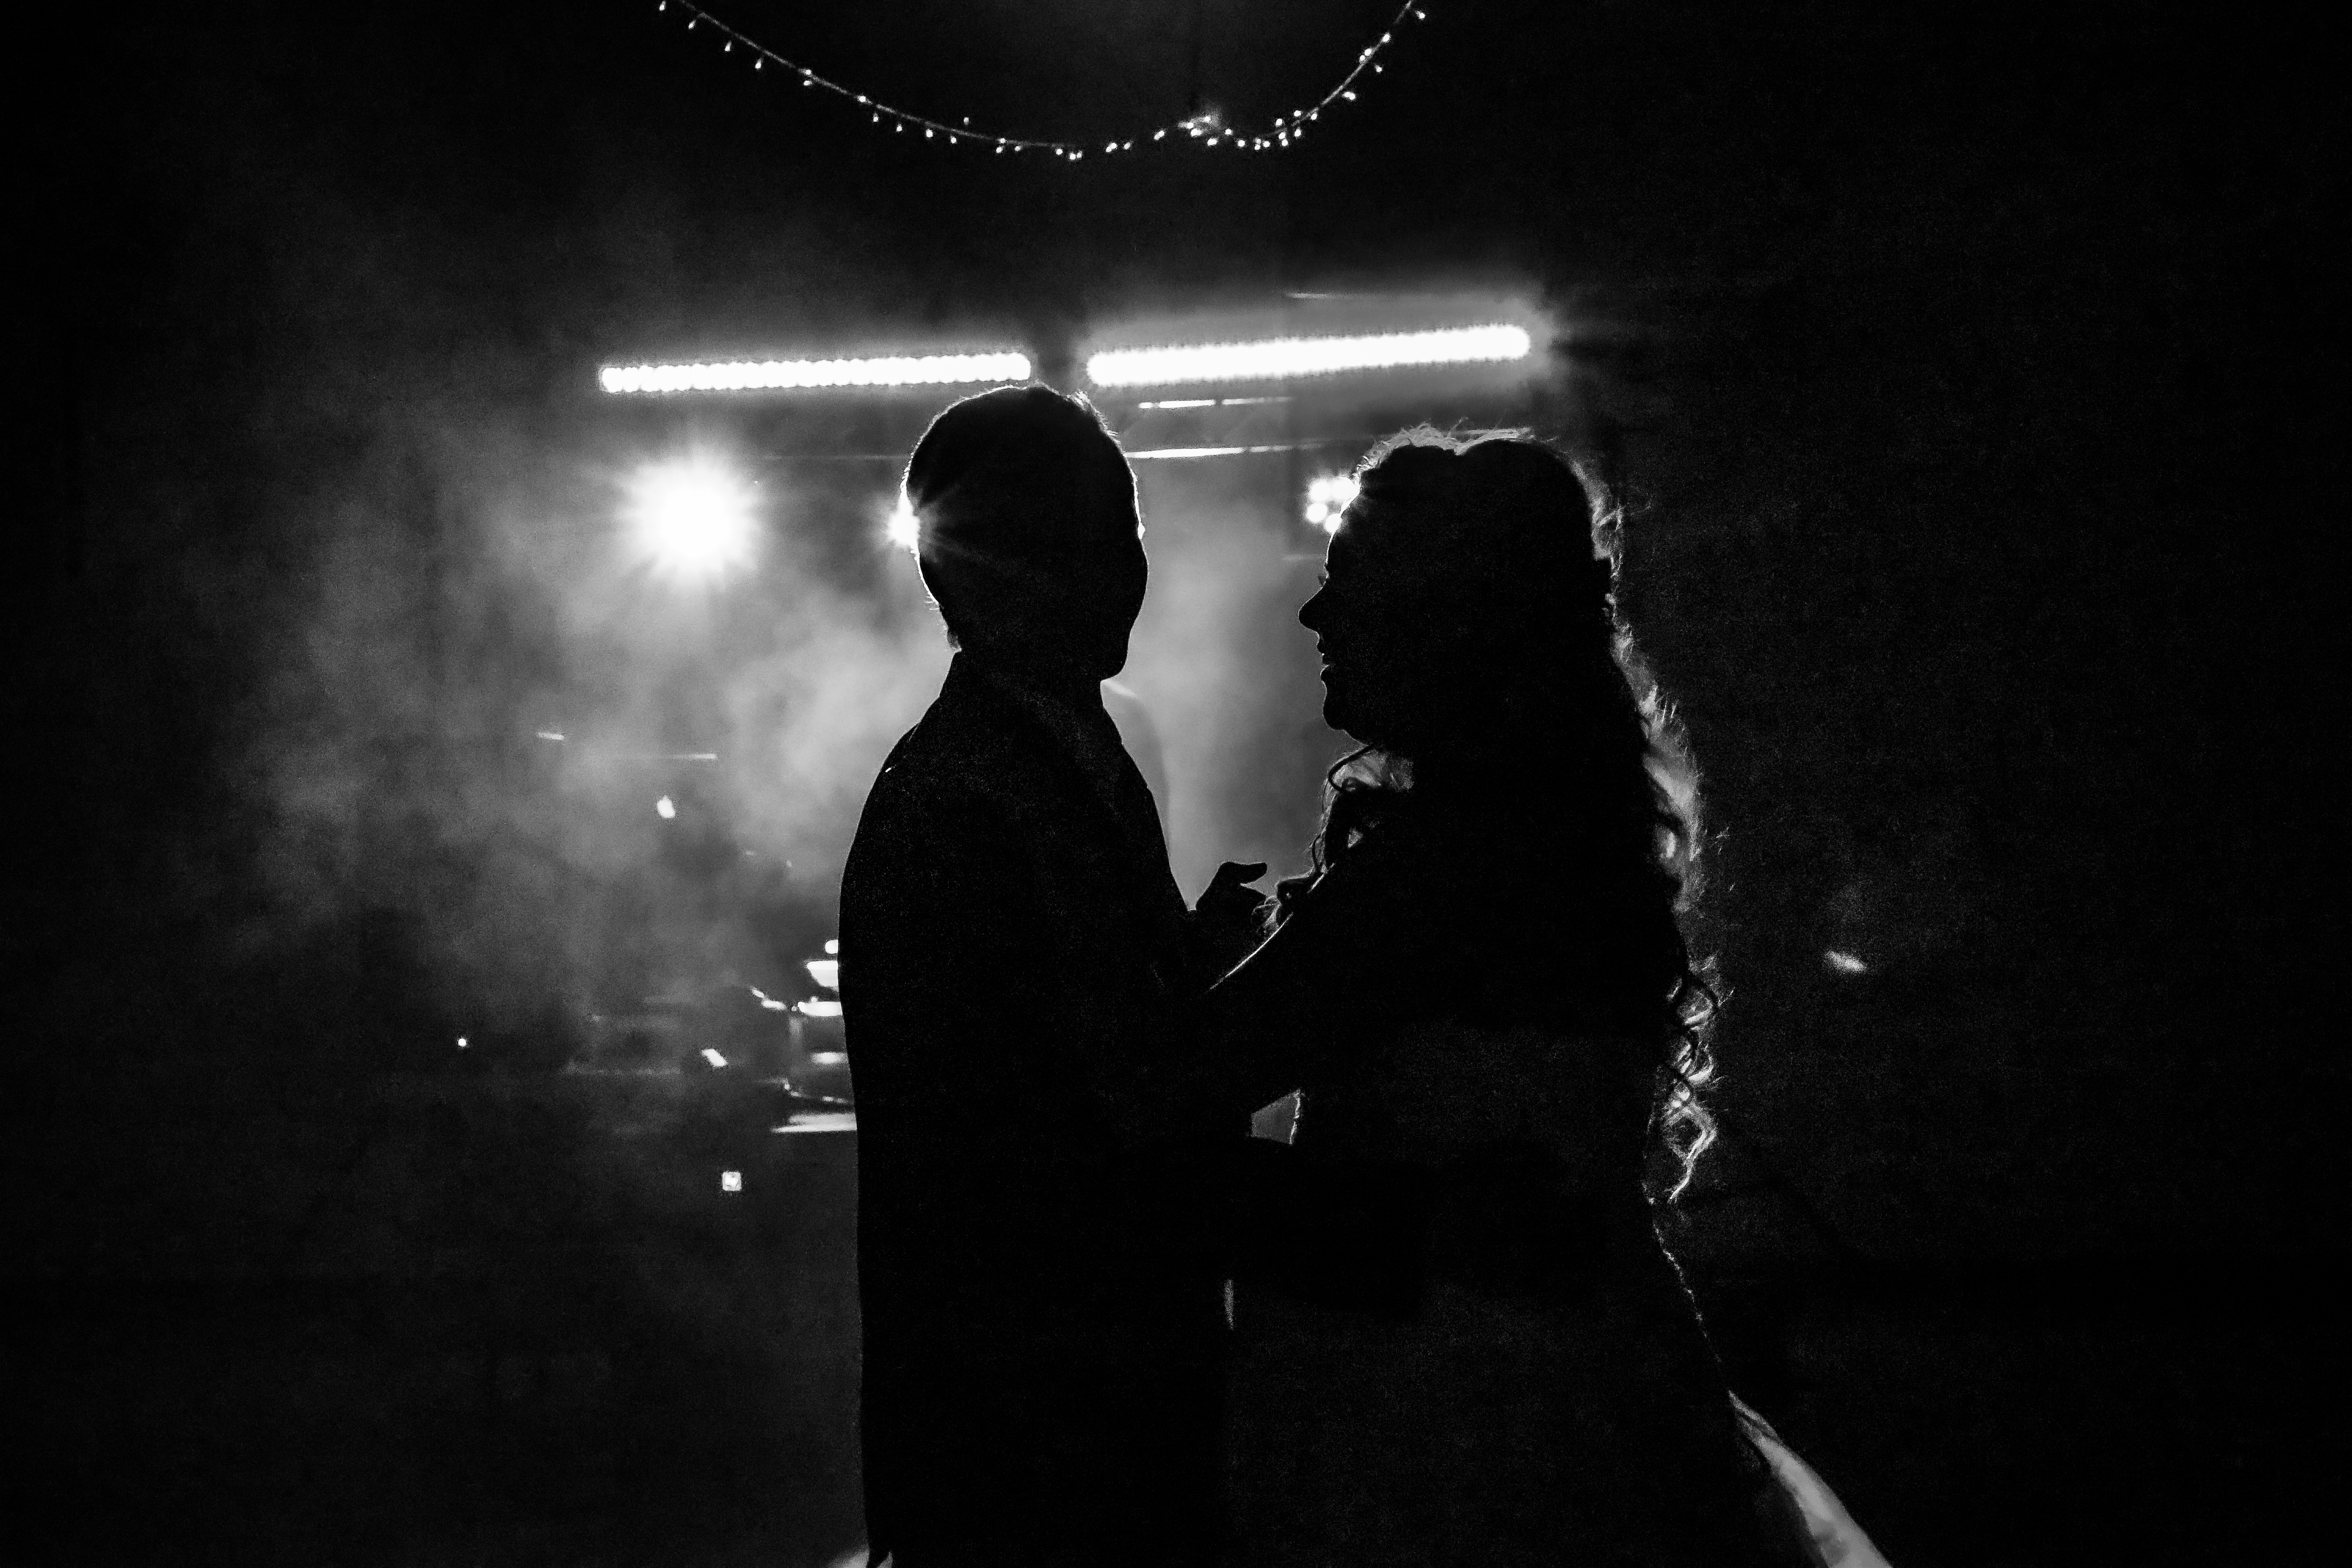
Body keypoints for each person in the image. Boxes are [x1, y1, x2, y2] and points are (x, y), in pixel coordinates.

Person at [1206, 430, 1875, 1566]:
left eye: (1348, 583)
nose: (1316, 617)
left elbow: (1158, 1102)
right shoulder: (1569, 841)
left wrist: (1179, 968)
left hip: (1438, 1412)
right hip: (1591, 1371)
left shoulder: (1431, 875)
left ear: (1448, 619)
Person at [838, 385, 1263, 1568]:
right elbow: (1069, 1153)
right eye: (1080, 538)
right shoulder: (960, 802)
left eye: (1126, 533)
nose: (1122, 572)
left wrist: (1186, 962)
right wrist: (1405, 1227)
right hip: (1039, 1443)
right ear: (967, 571)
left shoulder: (1050, 750)